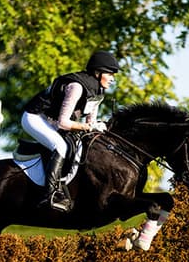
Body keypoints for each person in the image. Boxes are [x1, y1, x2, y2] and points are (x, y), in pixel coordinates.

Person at [21, 51, 120, 212]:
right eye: (109, 74)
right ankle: (50, 194)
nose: (112, 78)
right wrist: (90, 127)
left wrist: (98, 127)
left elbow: (90, 123)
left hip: (53, 121)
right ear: (98, 72)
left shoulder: (98, 91)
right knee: (61, 146)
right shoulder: (77, 87)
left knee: (80, 145)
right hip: (35, 117)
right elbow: (64, 123)